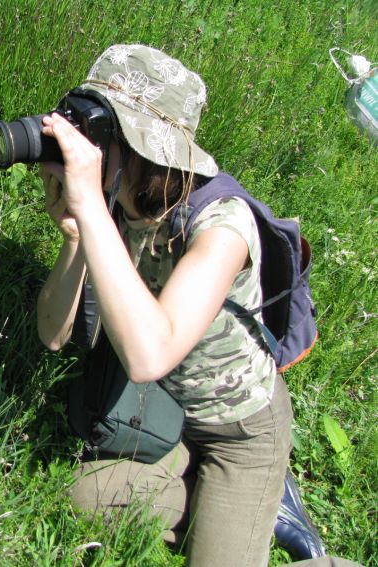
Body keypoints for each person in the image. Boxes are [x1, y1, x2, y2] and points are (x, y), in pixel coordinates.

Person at [36, 44, 336, 567]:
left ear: (144, 147)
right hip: (171, 417)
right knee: (79, 497)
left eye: (102, 131)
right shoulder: (114, 203)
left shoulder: (223, 226)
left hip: (242, 432)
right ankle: (241, 511)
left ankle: (264, 504)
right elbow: (53, 335)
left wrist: (90, 210)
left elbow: (150, 355)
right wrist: (75, 237)